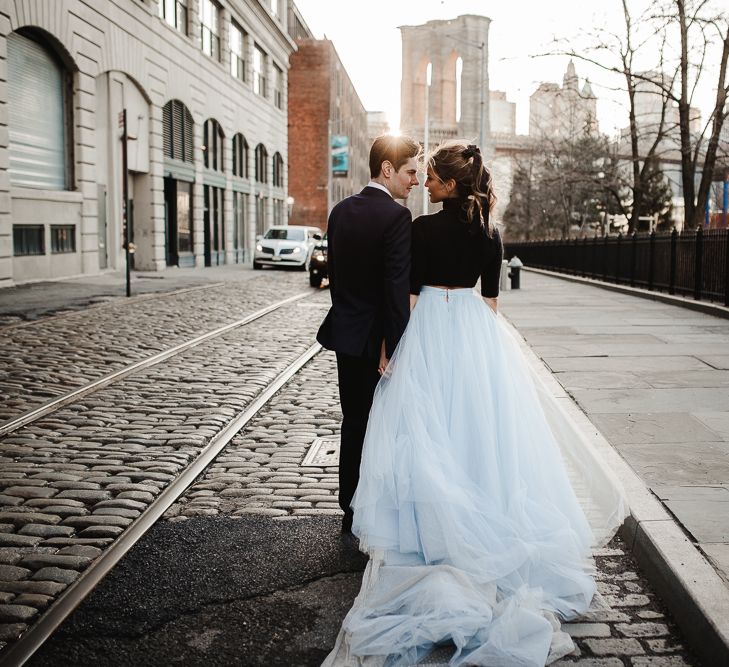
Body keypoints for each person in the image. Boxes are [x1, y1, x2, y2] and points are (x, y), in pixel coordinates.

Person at [322, 140, 628, 667]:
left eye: (433, 176)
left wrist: (394, 346)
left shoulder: (418, 229)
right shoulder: (492, 233)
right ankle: (481, 511)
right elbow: (491, 301)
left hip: (431, 328)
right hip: (475, 333)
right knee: (479, 428)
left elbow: (409, 293)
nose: (426, 182)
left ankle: (431, 521)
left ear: (448, 184)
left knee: (427, 427)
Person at [317, 134, 421, 534]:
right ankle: (379, 506)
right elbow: (396, 290)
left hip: (346, 334)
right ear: (388, 169)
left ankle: (350, 506)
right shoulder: (396, 218)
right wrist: (392, 347)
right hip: (378, 342)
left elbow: (336, 279)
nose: (414, 181)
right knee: (386, 424)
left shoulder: (340, 211)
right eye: (410, 172)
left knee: (354, 420)